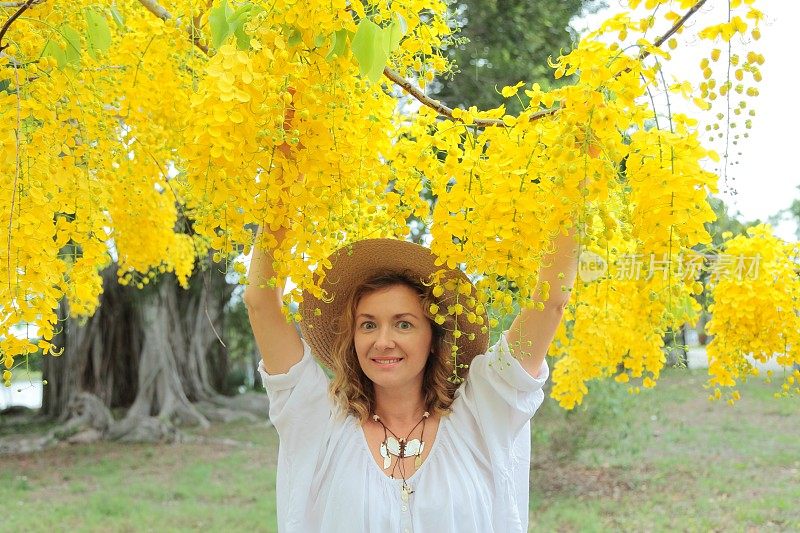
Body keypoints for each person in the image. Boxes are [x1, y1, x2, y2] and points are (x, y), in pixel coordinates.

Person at [244, 222, 578, 532]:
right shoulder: (320, 420)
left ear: (434, 340)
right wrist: (284, 174)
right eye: (368, 324)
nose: (383, 341)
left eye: (403, 324)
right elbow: (260, 303)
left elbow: (550, 302)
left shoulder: (480, 413)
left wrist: (573, 177)